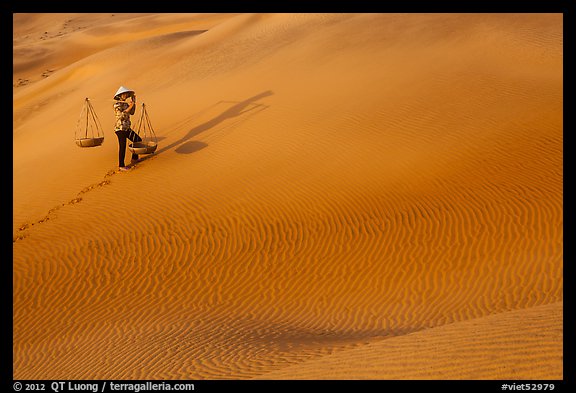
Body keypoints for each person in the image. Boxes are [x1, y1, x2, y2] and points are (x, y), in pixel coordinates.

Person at [113, 86, 142, 171]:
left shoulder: (125, 104)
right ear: (121, 95)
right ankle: (121, 165)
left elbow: (132, 112)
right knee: (122, 147)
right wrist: (130, 106)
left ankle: (134, 159)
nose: (126, 95)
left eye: (127, 94)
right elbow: (121, 116)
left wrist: (134, 103)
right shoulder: (117, 105)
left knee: (137, 140)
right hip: (120, 129)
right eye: (125, 94)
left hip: (126, 128)